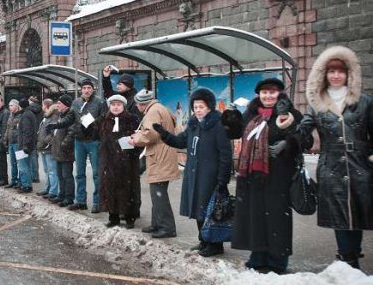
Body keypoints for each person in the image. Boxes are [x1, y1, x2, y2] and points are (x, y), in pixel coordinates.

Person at [296, 46, 373, 270]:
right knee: (341, 213)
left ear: (349, 74)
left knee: (356, 212)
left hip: (360, 165)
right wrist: (289, 122)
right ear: (325, 75)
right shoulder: (316, 105)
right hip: (331, 166)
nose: (336, 75)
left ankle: (351, 256)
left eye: (340, 71)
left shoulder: (365, 102)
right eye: (331, 71)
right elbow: (302, 134)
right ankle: (347, 258)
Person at [230, 78, 305, 274]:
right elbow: (237, 133)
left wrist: (287, 143)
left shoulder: (289, 113)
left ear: (279, 93)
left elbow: (306, 138)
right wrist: (230, 120)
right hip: (253, 177)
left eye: (272, 92)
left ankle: (278, 260)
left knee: (277, 219)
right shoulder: (251, 113)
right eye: (264, 92)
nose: (268, 96)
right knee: (256, 218)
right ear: (259, 95)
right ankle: (258, 256)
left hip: (279, 176)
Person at [153, 88, 233, 257]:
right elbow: (180, 141)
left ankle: (215, 245)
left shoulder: (218, 125)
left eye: (201, 107)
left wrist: (222, 179)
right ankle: (204, 240)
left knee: (211, 210)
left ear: (209, 107)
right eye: (195, 107)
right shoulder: (193, 124)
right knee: (199, 209)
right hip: (194, 174)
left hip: (210, 176)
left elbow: (226, 154)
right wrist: (164, 134)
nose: (197, 110)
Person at [46, 78, 107, 213]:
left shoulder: (100, 102)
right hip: (79, 141)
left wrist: (92, 124)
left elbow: (104, 119)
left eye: (89, 88)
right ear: (81, 90)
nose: (86, 90)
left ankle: (98, 202)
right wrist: (56, 124)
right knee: (79, 173)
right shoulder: (76, 102)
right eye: (84, 88)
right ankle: (81, 201)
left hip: (93, 141)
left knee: (96, 173)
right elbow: (70, 119)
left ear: (93, 89)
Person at [129, 89, 180, 239]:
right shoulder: (160, 108)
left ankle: (167, 227)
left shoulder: (152, 112)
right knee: (157, 192)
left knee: (159, 193)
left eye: (137, 105)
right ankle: (157, 223)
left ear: (141, 104)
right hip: (164, 154)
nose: (137, 108)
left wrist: (135, 139)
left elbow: (151, 134)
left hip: (159, 156)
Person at [99, 94, 141, 229]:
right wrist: (84, 122)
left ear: (123, 106)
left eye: (118, 105)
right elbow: (91, 133)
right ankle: (114, 217)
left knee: (128, 189)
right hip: (109, 161)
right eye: (113, 105)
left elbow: (138, 138)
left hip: (127, 161)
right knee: (110, 188)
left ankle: (130, 218)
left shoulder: (132, 119)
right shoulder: (104, 120)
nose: (115, 107)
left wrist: (132, 151)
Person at [50, 95, 76, 207]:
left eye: (59, 103)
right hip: (58, 150)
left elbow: (71, 132)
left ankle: (69, 197)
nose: (57, 105)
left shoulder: (70, 116)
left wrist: (64, 144)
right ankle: (62, 195)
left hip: (66, 151)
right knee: (60, 175)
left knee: (67, 175)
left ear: (65, 104)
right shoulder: (60, 115)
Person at [36, 99, 60, 199]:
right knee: (47, 170)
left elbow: (53, 132)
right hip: (43, 147)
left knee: (52, 170)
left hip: (49, 148)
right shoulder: (46, 117)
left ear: (45, 105)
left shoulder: (53, 117)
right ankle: (48, 188)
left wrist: (45, 142)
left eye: (42, 105)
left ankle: (53, 191)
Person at [16, 98, 37, 193]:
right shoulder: (30, 113)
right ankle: (26, 184)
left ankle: (26, 185)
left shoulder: (25, 115)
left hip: (24, 145)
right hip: (29, 144)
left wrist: (25, 145)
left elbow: (27, 131)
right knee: (26, 165)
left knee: (23, 165)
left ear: (20, 106)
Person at [4, 99, 23, 188]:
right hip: (11, 142)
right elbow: (8, 128)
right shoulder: (11, 115)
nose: (10, 107)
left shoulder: (21, 115)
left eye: (11, 106)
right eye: (9, 106)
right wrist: (6, 139)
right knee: (13, 163)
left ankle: (20, 181)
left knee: (20, 163)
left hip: (17, 142)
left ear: (16, 106)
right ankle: (13, 180)